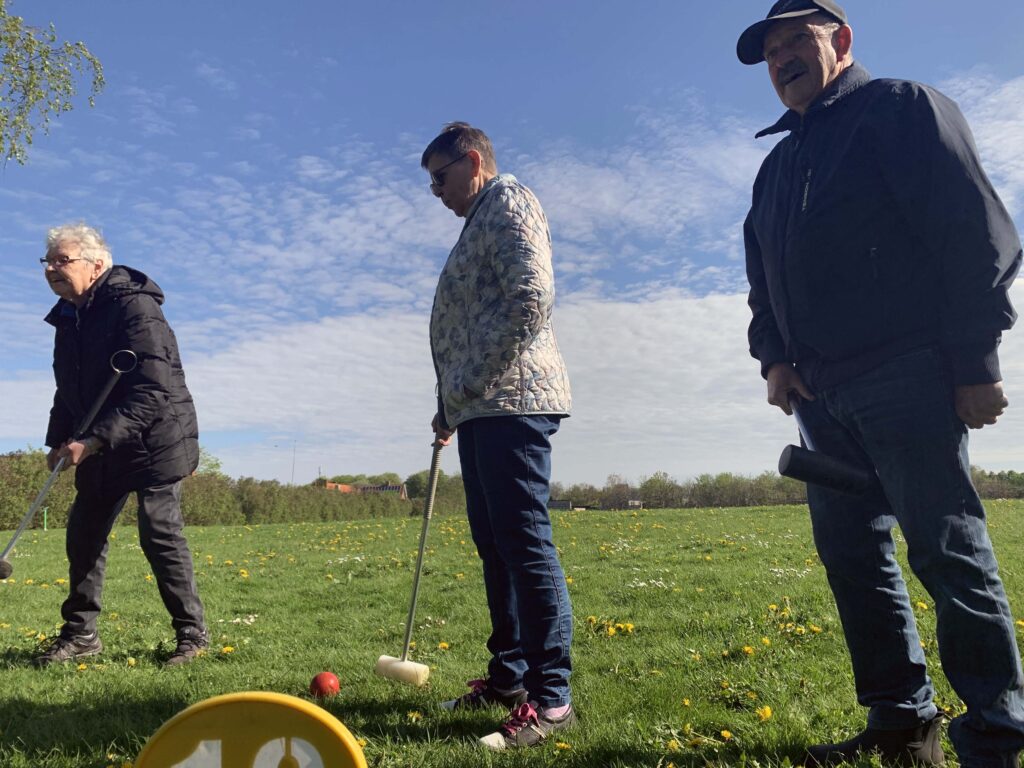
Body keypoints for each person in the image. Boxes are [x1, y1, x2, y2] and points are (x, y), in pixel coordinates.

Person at [739, 2, 1024, 766]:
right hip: (819, 397)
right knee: (854, 561)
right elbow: (763, 281)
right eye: (771, 50)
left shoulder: (900, 109)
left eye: (796, 39)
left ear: (841, 40)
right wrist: (774, 359)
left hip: (907, 373)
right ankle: (901, 723)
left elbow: (974, 231)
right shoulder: (776, 169)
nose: (782, 58)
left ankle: (995, 737)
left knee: (947, 552)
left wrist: (975, 360)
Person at [422, 122, 575, 750]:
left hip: (514, 402)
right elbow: (470, 323)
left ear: (473, 161)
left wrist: (468, 384)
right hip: (482, 407)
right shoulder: (480, 218)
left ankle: (552, 699)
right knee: (497, 545)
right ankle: (509, 678)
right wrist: (450, 405)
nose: (436, 191)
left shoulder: (509, 200)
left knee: (524, 542)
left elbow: (530, 297)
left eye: (440, 176)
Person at [34, 223, 208, 668]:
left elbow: (152, 389)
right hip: (100, 442)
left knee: (158, 531)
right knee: (84, 534)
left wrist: (92, 441)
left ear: (96, 265)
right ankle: (81, 635)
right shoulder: (67, 317)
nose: (52, 269)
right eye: (47, 262)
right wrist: (58, 440)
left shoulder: (134, 305)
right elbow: (67, 389)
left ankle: (192, 634)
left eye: (62, 260)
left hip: (156, 438)